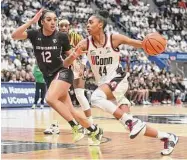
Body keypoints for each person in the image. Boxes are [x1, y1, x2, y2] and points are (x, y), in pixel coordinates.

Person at [63, 10, 179, 155]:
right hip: (105, 86)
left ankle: (132, 122)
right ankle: (167, 137)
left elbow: (138, 43)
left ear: (100, 24)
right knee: (126, 123)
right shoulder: (84, 44)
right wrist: (73, 56)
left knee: (95, 98)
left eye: (91, 22)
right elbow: (66, 63)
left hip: (118, 79)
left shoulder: (114, 39)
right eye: (87, 23)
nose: (87, 25)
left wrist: (154, 43)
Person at [11, 8, 103, 145]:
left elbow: (70, 54)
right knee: (71, 111)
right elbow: (14, 35)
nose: (53, 22)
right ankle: (94, 129)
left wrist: (77, 63)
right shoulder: (34, 34)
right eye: (49, 20)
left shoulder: (61, 36)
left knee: (49, 98)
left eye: (55, 19)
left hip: (63, 72)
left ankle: (75, 126)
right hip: (49, 77)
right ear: (42, 22)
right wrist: (31, 21)